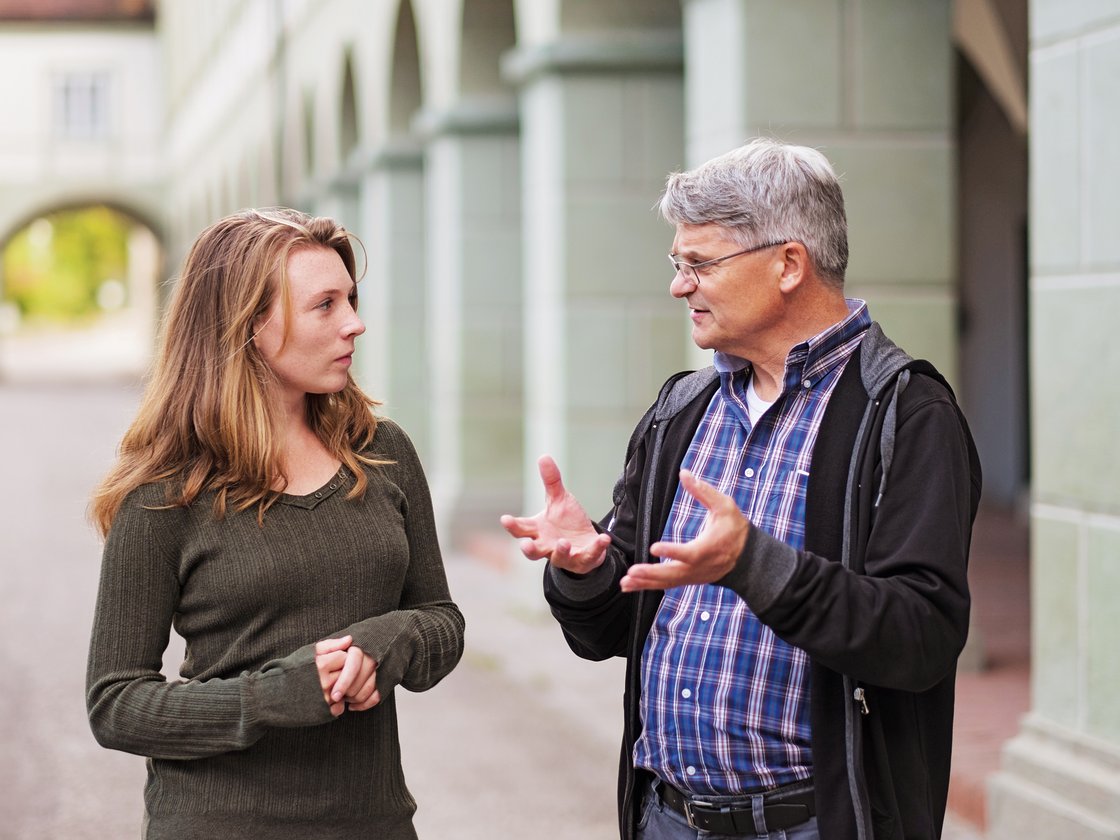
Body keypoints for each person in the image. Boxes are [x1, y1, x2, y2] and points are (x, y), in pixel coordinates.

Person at [501, 139, 981, 840]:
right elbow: (607, 629)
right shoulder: (680, 411)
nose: (678, 285)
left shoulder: (907, 413)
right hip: (666, 818)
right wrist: (584, 568)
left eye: (699, 264)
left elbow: (921, 638)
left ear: (789, 264)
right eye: (677, 264)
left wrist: (753, 564)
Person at [86, 208, 465, 839]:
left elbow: (440, 619)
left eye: (352, 299)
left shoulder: (384, 453)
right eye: (325, 305)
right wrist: (271, 697)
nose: (355, 323)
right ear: (249, 325)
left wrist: (389, 642)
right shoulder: (163, 491)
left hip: (373, 824)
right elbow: (116, 703)